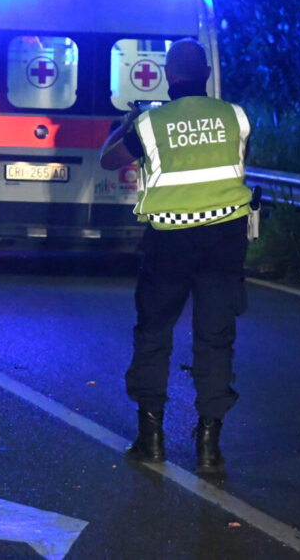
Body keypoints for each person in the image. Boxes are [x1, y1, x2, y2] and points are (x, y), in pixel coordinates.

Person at [99, 38, 252, 477]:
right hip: (225, 239)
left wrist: (125, 124)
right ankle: (209, 447)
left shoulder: (149, 124)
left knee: (154, 333)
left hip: (169, 243)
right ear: (205, 75)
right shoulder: (235, 117)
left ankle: (151, 441)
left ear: (168, 76)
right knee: (215, 337)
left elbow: (109, 160)